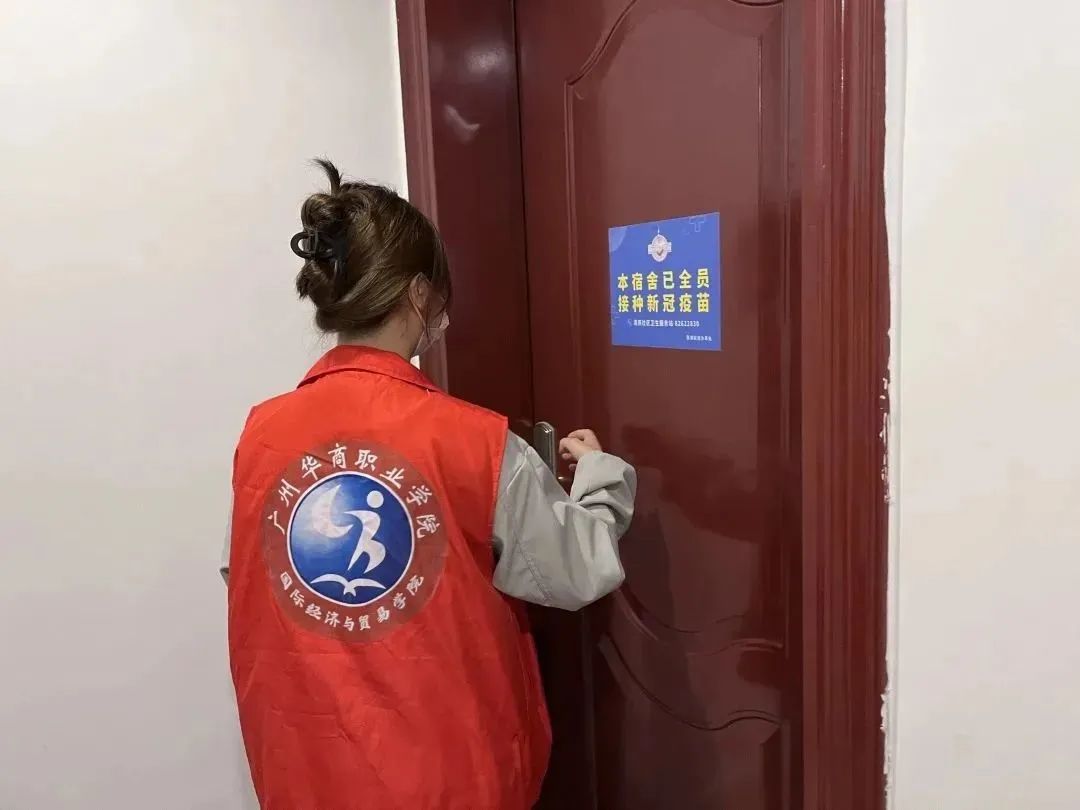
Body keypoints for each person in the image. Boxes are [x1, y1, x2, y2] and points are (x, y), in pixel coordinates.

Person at [222, 160, 637, 810]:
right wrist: (600, 480)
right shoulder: (475, 441)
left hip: (305, 774)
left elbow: (244, 575)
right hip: (448, 777)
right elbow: (576, 569)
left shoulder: (261, 435)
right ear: (419, 293)